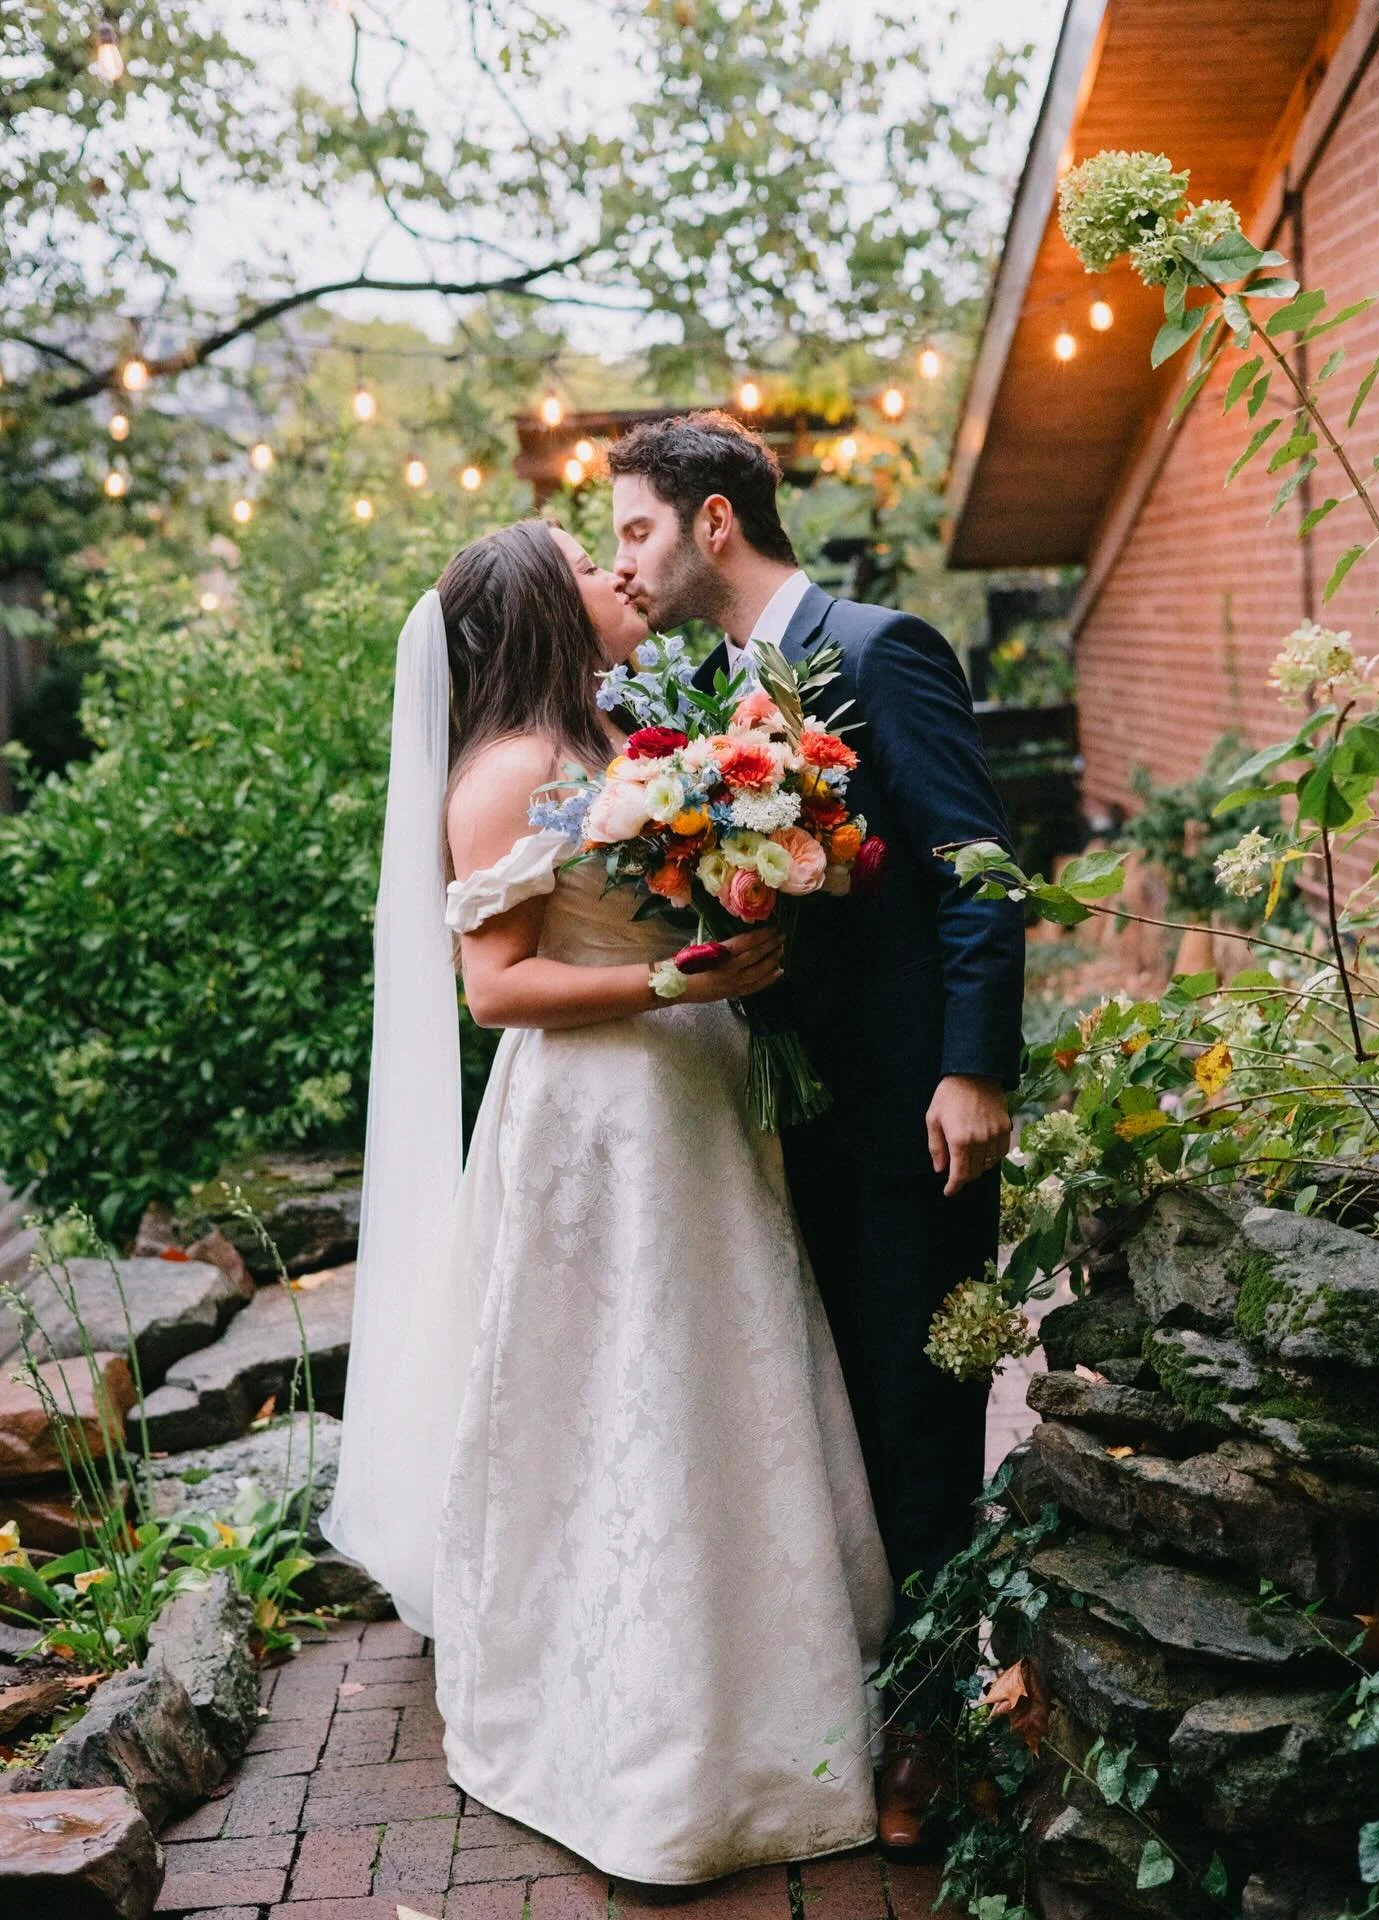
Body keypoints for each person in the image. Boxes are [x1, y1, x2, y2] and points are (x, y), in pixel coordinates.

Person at [323, 519, 894, 1887]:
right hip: (600, 1129)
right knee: (623, 1408)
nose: (617, 577)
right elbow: (496, 991)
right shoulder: (510, 771)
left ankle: (770, 1702)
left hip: (693, 1107)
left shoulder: (630, 744)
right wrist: (670, 986)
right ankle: (644, 1750)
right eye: (590, 561)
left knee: (716, 1391)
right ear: (541, 604)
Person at [609, 412, 1027, 1852]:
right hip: (781, 1109)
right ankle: (866, 1703)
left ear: (716, 521)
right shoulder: (707, 697)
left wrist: (976, 1069)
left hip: (915, 1110)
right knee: (834, 1417)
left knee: (919, 1421)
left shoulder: (879, 645)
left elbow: (979, 870)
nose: (627, 559)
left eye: (639, 529)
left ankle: (935, 1738)